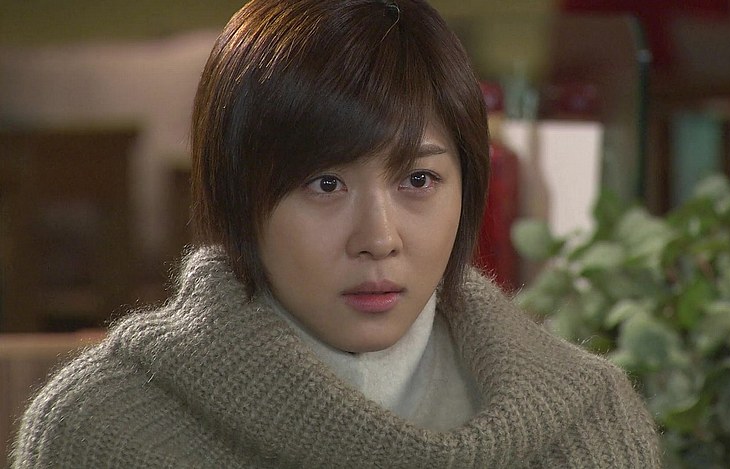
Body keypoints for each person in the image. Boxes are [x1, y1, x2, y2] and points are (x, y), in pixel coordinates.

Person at [12, 0, 661, 467]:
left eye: (418, 180)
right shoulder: (104, 428)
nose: (378, 237)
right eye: (324, 184)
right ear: (237, 196)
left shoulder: (588, 423)